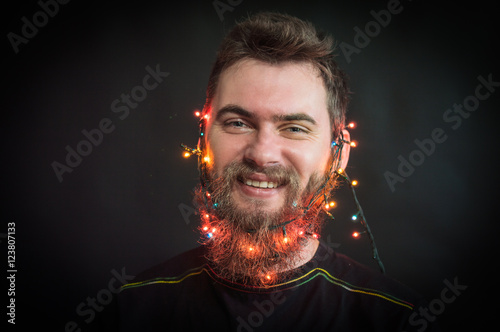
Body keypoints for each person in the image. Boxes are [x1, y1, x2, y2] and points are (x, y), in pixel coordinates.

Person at [102, 12, 440, 331]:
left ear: (339, 154)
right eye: (237, 123)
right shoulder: (133, 308)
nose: (262, 155)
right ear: (204, 139)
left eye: (294, 128)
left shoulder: (397, 319)